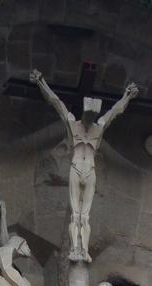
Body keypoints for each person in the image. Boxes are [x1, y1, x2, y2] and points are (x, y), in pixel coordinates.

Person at [30, 70, 139, 263]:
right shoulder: (72, 124)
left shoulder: (99, 127)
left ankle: (84, 250)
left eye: (92, 116)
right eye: (88, 115)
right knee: (76, 215)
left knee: (85, 216)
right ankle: (74, 250)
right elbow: (56, 102)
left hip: (90, 171)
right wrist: (41, 82)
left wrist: (127, 96)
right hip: (75, 169)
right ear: (84, 113)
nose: (90, 119)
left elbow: (116, 111)